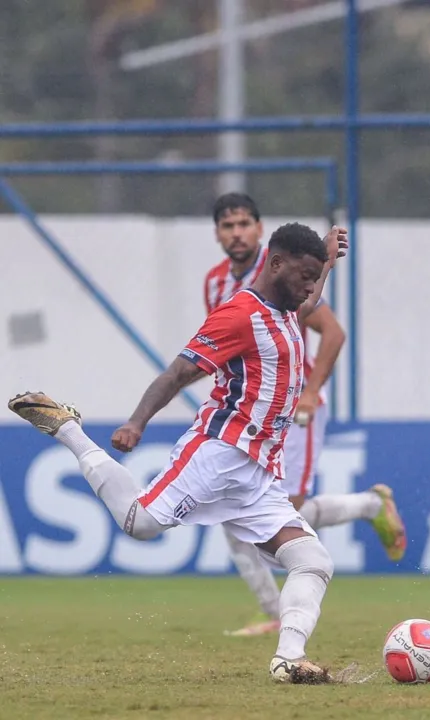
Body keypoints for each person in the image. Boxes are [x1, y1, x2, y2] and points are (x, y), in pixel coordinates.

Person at [10, 223, 350, 682]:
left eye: (316, 277)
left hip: (257, 473)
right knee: (140, 524)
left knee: (313, 561)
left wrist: (325, 261)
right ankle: (68, 428)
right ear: (275, 264)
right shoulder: (238, 315)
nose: (311, 288)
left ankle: (288, 658)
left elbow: (307, 300)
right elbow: (175, 374)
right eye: (304, 275)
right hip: (218, 453)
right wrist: (136, 421)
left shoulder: (288, 309)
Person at [205, 193, 406, 637]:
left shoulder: (285, 268)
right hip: (248, 413)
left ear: (259, 229)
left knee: (271, 514)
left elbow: (332, 331)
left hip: (294, 411)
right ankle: (279, 608)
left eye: (244, 223)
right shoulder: (215, 282)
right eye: (227, 225)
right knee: (243, 515)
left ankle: (370, 506)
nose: (236, 232)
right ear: (217, 233)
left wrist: (311, 393)